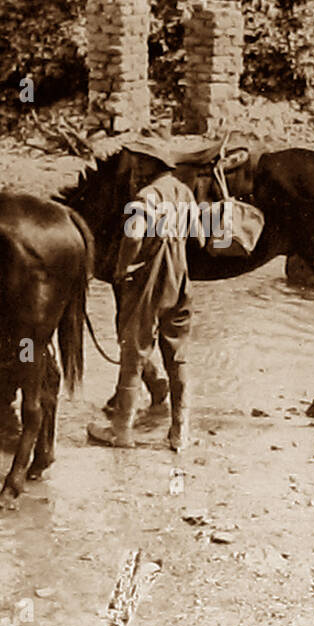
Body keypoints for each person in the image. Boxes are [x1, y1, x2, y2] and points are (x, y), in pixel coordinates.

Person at [88, 141, 199, 451]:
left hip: (148, 281)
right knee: (178, 355)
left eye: (139, 162)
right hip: (180, 281)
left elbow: (134, 234)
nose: (135, 168)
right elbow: (197, 234)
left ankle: (121, 431)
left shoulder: (146, 197)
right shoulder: (184, 192)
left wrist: (123, 267)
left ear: (152, 164)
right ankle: (180, 432)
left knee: (133, 351)